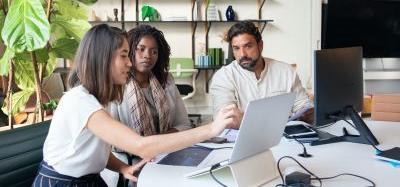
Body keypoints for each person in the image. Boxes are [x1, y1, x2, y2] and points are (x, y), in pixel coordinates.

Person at [32, 24, 234, 186]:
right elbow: (141, 146)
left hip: (88, 180)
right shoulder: (80, 101)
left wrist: (121, 168)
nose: (129, 63)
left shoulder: (97, 98)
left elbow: (93, 150)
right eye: (123, 56)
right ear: (103, 59)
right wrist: (210, 129)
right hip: (62, 183)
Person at [101, 25, 192, 185]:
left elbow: (184, 125)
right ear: (129, 51)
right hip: (128, 168)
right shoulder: (116, 84)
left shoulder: (166, 81)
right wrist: (148, 145)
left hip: (165, 158)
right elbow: (110, 139)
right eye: (140, 49)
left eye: (154, 51)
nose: (147, 56)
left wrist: (156, 143)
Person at [210, 21, 313, 129]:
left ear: (260, 46)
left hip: (284, 139)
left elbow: (302, 104)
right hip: (241, 141)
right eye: (236, 48)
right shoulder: (223, 76)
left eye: (248, 46)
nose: (242, 54)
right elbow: (226, 119)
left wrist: (307, 112)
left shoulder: (286, 72)